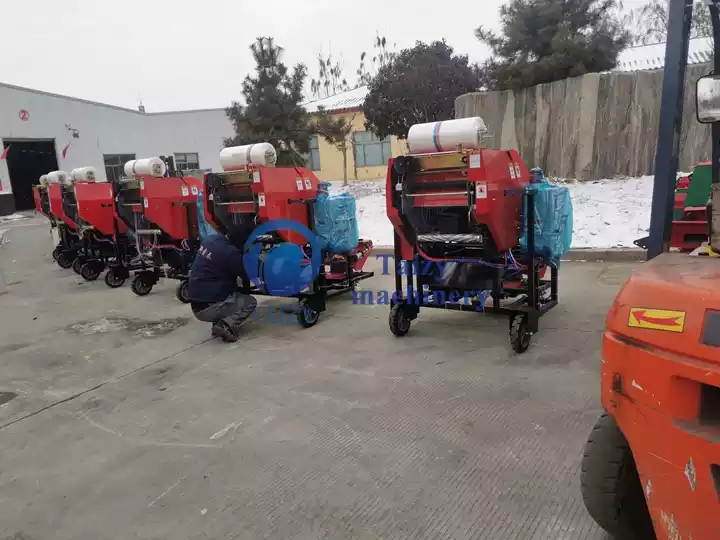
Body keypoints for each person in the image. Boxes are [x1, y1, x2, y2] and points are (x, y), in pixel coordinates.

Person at [188, 223, 257, 342]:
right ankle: (224, 325)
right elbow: (248, 275)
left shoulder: (210, 239)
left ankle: (218, 320)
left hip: (195, 302)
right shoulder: (231, 253)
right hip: (209, 306)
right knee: (250, 302)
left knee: (226, 288)